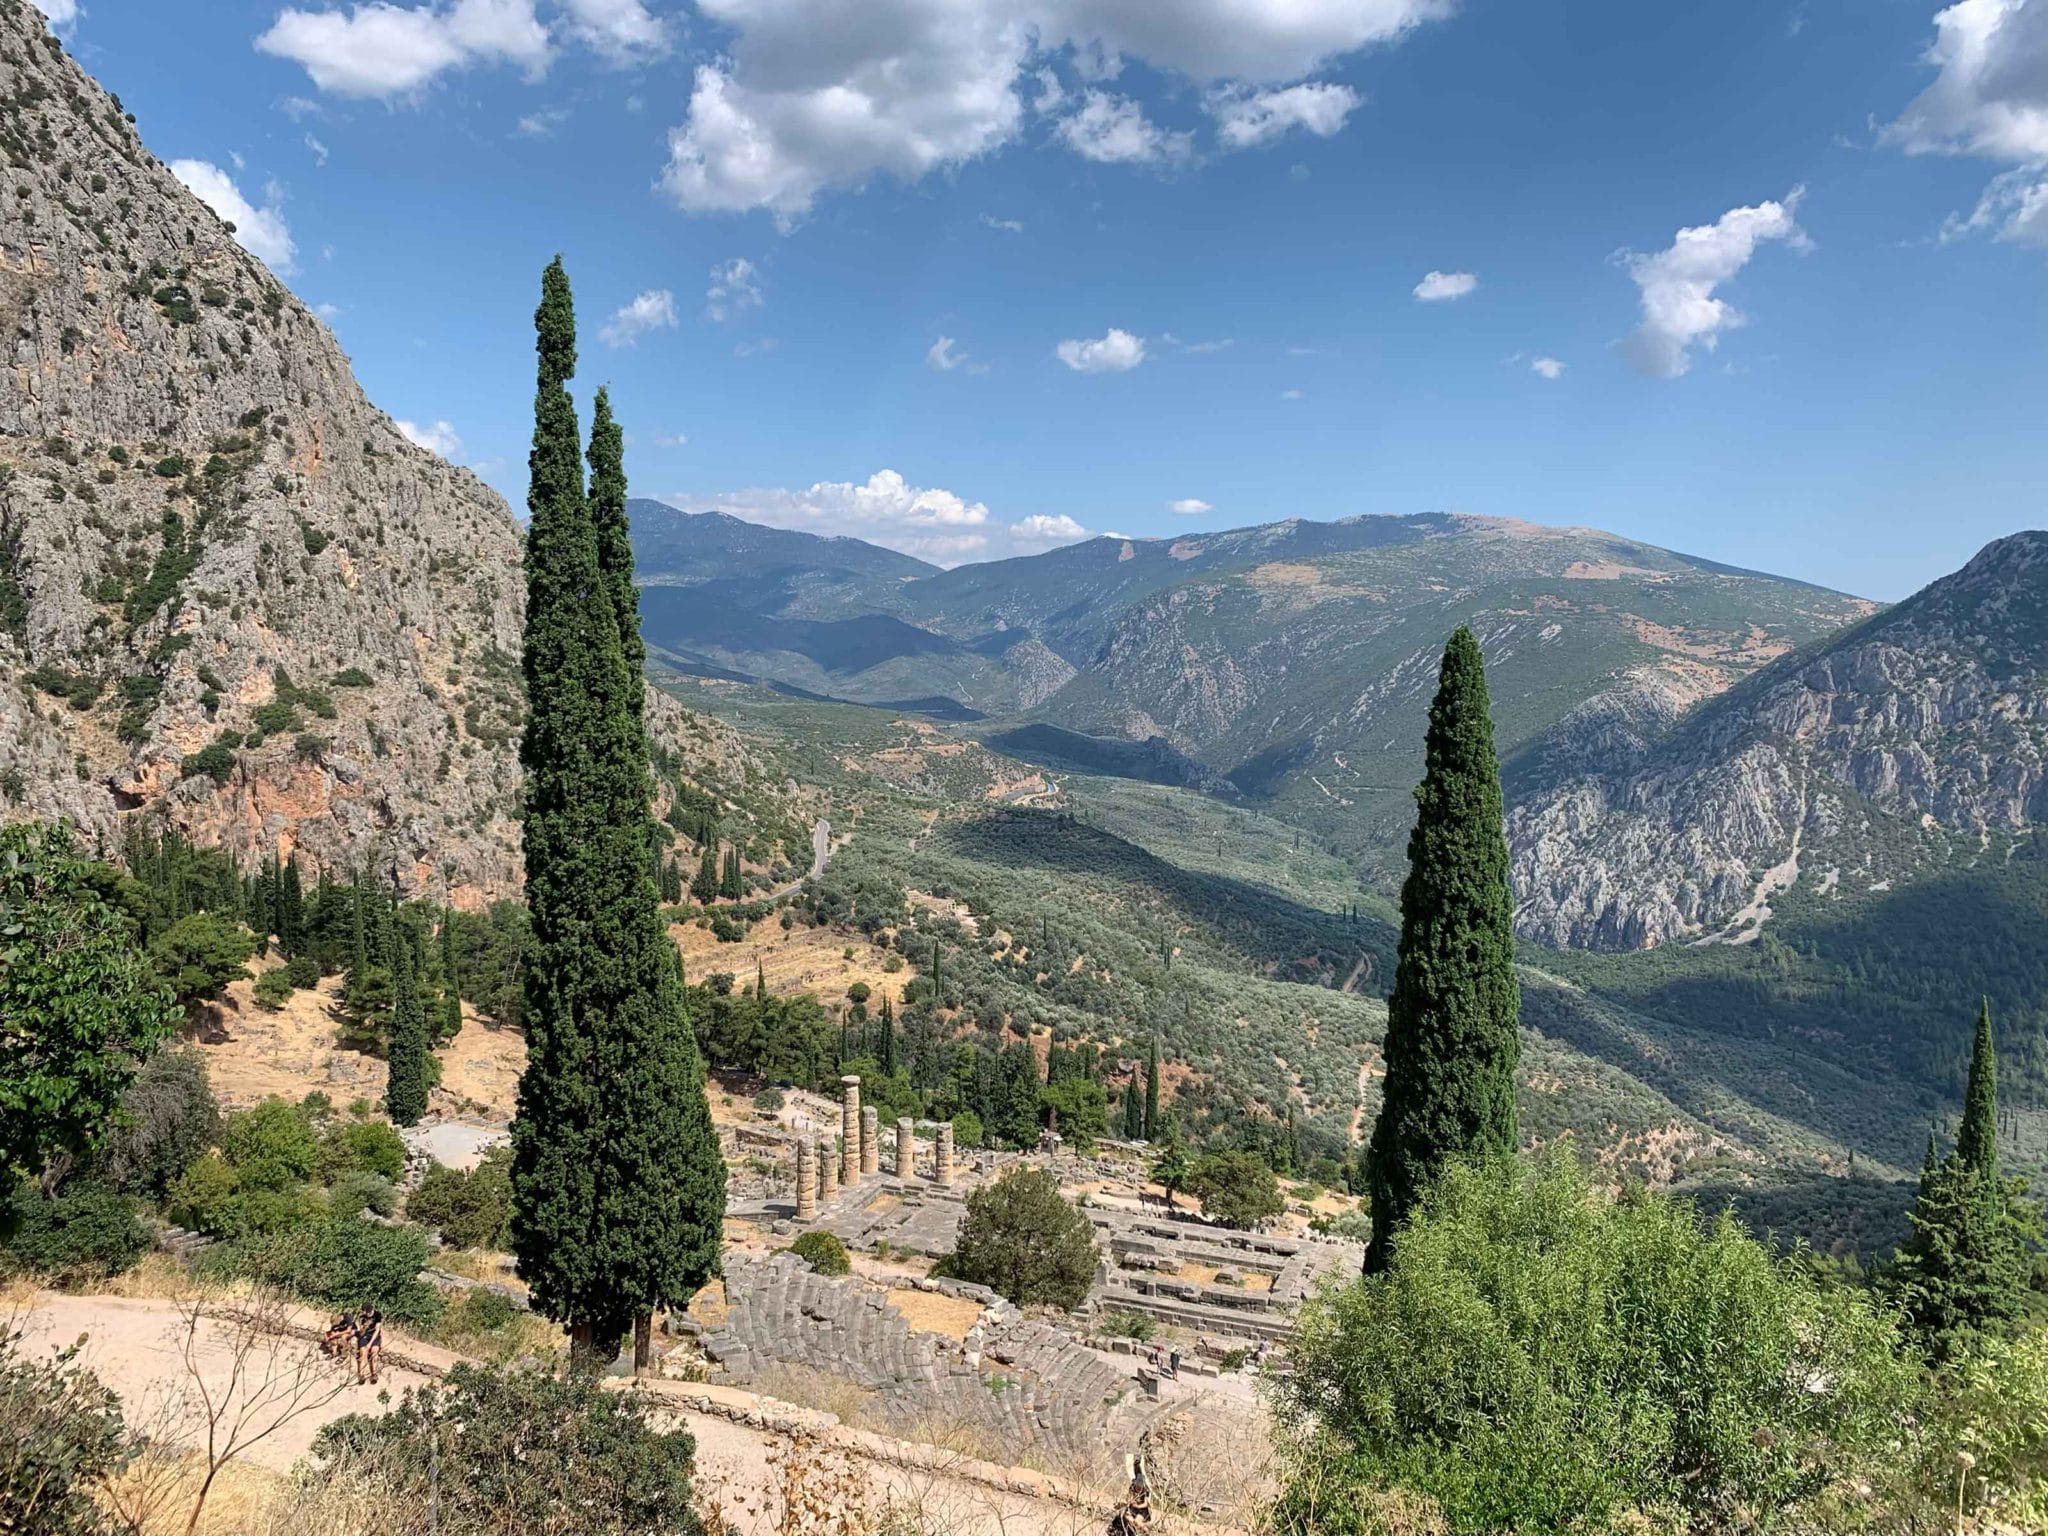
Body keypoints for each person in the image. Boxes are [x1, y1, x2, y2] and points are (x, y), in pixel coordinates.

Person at [355, 1307, 384, 1385]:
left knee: (374, 1352)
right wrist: (364, 1327)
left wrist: (370, 1344)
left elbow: (377, 1330)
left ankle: (373, 1374)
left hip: (374, 1336)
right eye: (367, 1312)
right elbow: (361, 1333)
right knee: (363, 1353)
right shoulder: (362, 1318)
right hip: (365, 1336)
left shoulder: (378, 1315)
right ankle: (361, 1375)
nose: (369, 1313)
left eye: (370, 1311)